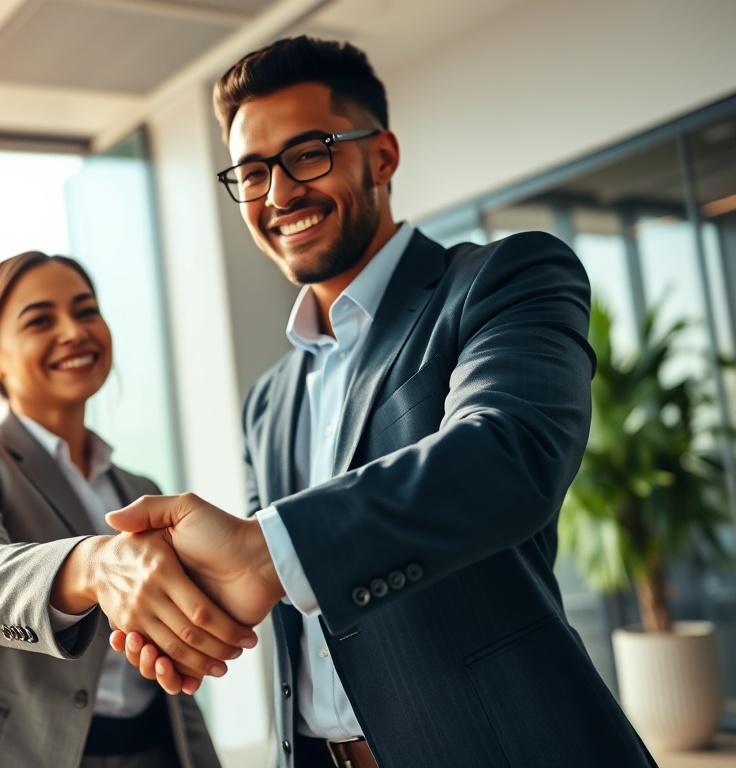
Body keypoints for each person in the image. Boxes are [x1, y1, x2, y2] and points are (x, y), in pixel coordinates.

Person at [105, 37, 659, 768]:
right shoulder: (268, 401)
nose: (278, 194)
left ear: (383, 156)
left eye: (308, 153)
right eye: (252, 172)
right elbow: (275, 580)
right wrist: (179, 610)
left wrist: (258, 551)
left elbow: (508, 453)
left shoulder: (503, 279)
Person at [0, 251, 251, 768]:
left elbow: (169, 678)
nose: (74, 332)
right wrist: (93, 567)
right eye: (40, 321)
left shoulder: (139, 488)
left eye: (86, 311)